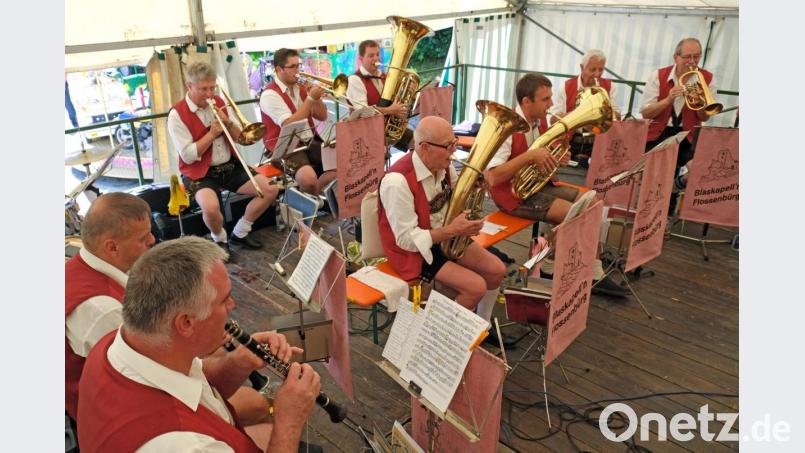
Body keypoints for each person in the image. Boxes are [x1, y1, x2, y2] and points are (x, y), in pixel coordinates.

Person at [77, 236, 321, 452]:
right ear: (186, 323)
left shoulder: (126, 341)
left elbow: (200, 382)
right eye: (224, 300)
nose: (232, 306)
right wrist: (289, 422)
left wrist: (238, 361)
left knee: (259, 408)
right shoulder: (189, 446)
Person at [485, 73, 628, 297]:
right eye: (545, 99)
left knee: (594, 201)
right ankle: (552, 263)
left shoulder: (539, 121)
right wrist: (530, 156)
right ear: (526, 102)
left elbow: (540, 159)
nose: (551, 104)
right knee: (574, 213)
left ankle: (592, 267)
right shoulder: (507, 128)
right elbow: (492, 177)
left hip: (537, 186)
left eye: (551, 97)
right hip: (512, 196)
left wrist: (555, 158)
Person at [378, 116, 506, 323]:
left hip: (444, 236)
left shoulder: (444, 166)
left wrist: (473, 188)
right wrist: (453, 230)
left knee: (496, 270)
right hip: (415, 252)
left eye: (454, 143)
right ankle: (444, 337)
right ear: (425, 147)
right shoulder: (397, 181)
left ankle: (483, 325)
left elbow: (456, 200)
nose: (453, 151)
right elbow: (406, 240)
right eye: (448, 146)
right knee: (475, 287)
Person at [168, 62, 278, 252]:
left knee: (270, 189)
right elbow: (187, 156)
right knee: (211, 209)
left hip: (229, 165)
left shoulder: (219, 102)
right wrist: (211, 134)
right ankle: (219, 238)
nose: (210, 94)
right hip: (199, 172)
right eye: (204, 89)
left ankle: (241, 232)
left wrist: (228, 123)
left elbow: (240, 139)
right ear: (189, 86)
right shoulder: (177, 114)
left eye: (212, 88)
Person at [65, 193, 156, 422]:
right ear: (112, 247)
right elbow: (145, 374)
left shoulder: (83, 265)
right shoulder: (102, 310)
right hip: (112, 412)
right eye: (143, 238)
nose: (153, 240)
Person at [260, 48, 335, 195]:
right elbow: (289, 123)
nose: (298, 70)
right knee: (308, 179)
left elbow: (322, 116)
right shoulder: (269, 94)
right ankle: (311, 197)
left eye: (299, 65)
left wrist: (316, 98)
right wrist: (311, 98)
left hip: (308, 141)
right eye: (293, 66)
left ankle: (316, 196)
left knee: (341, 165)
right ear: (279, 69)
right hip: (284, 148)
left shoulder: (300, 88)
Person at [640, 37, 717, 170]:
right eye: (687, 57)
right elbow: (646, 114)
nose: (692, 61)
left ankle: (681, 182)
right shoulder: (658, 76)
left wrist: (700, 103)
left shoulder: (708, 79)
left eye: (696, 56)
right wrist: (667, 100)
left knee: (698, 170)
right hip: (658, 133)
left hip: (688, 135)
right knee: (649, 171)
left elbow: (705, 118)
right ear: (676, 57)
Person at [550, 49, 622, 166]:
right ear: (582, 67)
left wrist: (604, 112)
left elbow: (617, 118)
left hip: (598, 142)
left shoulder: (610, 87)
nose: (597, 74)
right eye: (593, 69)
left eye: (601, 69)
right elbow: (553, 119)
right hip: (570, 141)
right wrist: (580, 115)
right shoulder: (566, 86)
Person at [346, 39, 412, 151]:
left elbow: (395, 101)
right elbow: (363, 112)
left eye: (377, 54)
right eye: (371, 55)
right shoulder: (354, 80)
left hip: (386, 128)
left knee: (417, 141)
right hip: (366, 133)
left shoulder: (384, 76)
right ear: (361, 59)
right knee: (381, 155)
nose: (376, 58)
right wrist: (390, 110)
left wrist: (406, 91)